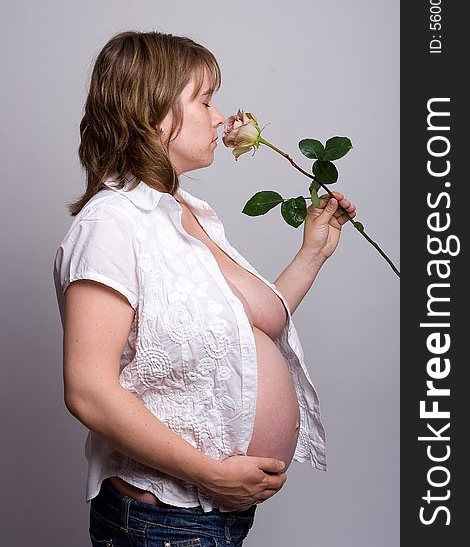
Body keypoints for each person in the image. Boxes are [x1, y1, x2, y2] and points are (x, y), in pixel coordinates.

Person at [53, 30, 357, 547]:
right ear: (150, 113)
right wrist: (210, 473)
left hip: (207, 519)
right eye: (205, 100)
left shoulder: (186, 213)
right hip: (161, 521)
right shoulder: (111, 225)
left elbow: (257, 324)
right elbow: (88, 391)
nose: (220, 118)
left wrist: (313, 252)